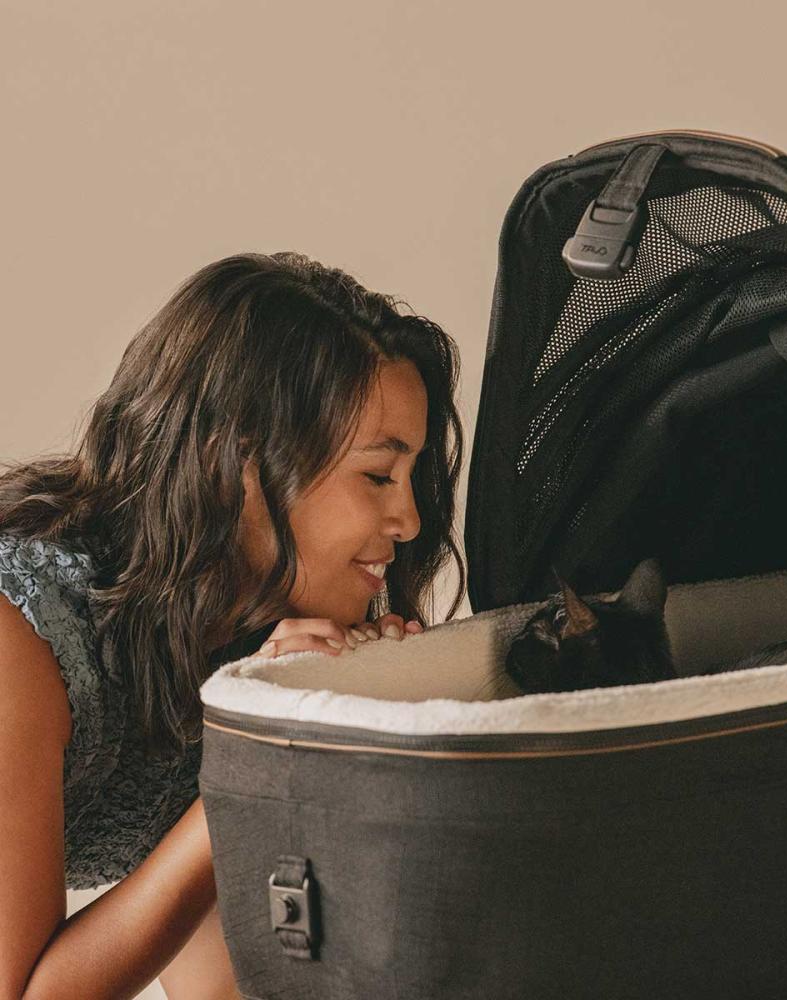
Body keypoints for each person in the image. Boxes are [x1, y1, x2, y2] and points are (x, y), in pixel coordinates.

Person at [0, 251, 466, 999]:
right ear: (241, 467)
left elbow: (218, 986)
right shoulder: (16, 635)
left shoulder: (227, 643)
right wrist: (252, 760)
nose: (409, 521)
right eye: (378, 475)